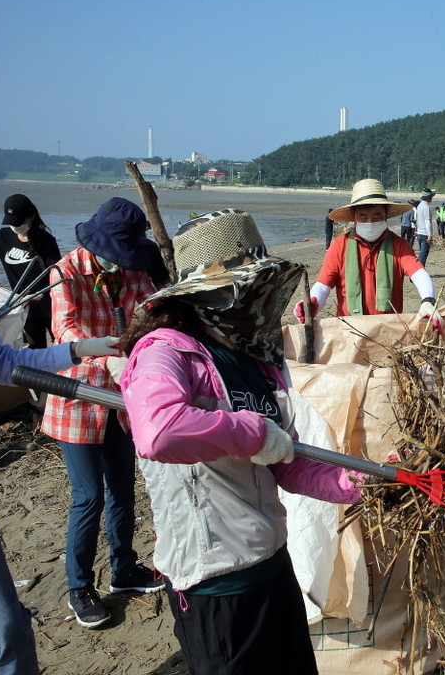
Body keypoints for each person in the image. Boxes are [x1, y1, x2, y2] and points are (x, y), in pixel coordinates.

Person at [120, 208, 364, 674]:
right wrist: (251, 433)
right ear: (206, 292)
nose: (256, 295)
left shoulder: (256, 358)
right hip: (214, 583)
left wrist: (349, 483)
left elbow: (286, 462)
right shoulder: (166, 352)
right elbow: (159, 431)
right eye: (244, 285)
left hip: (272, 564)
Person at [41, 197, 162, 628]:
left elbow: (152, 309)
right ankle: (79, 586)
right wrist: (102, 354)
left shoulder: (130, 268)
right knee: (88, 496)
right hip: (77, 398)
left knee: (123, 491)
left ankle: (124, 569)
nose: (119, 262)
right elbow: (65, 328)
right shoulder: (65, 272)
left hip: (121, 401)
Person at [0, 322, 118, 675]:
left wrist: (78, 351)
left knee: (9, 631)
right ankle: (79, 588)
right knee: (89, 496)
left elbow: (4, 364)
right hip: (76, 421)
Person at [296, 179, 438, 322]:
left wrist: (427, 301)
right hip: (349, 328)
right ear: (354, 216)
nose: (370, 222)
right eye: (363, 216)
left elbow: (419, 274)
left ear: (386, 214)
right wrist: (313, 304)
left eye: (377, 215)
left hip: (388, 329)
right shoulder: (339, 245)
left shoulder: (399, 245)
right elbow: (323, 285)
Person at [0, 194, 62, 348]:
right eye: (12, 223)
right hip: (24, 306)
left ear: (32, 216)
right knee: (34, 348)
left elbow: (57, 272)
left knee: (60, 344)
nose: (16, 226)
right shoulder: (1, 238)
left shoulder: (45, 241)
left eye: (20, 222)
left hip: (49, 304)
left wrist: (44, 293)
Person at [415, 189, 434, 265]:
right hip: (424, 234)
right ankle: (419, 271)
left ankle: (419, 270)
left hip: (419, 232)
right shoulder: (426, 207)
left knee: (421, 253)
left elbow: (417, 220)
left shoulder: (419, 206)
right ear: (428, 197)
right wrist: (430, 235)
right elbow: (427, 221)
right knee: (423, 254)